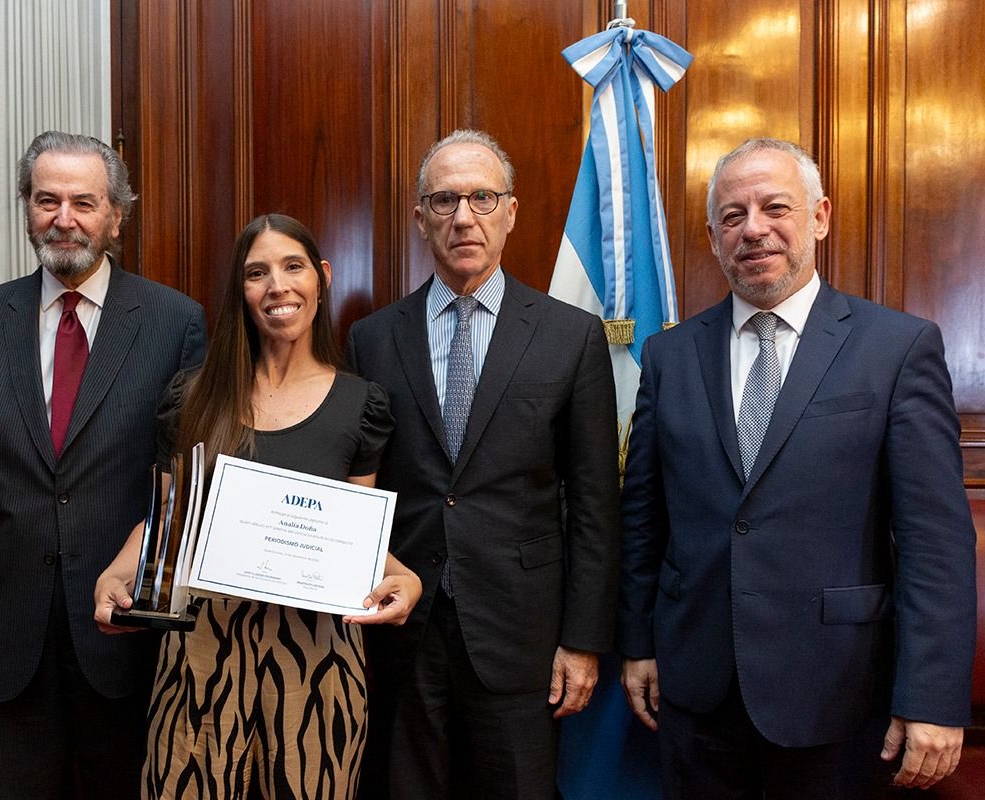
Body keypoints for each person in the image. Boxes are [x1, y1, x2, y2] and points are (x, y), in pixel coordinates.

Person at [619, 137, 977, 799]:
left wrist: (930, 696)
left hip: (837, 696)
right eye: (733, 216)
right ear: (712, 235)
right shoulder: (668, 356)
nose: (753, 228)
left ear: (819, 217)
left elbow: (935, 542)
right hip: (696, 693)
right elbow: (645, 521)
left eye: (774, 207)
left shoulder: (897, 348)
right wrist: (638, 644)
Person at [93, 213, 423, 799]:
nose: (277, 286)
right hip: (200, 655)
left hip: (316, 662)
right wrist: (119, 573)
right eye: (256, 272)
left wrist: (405, 579)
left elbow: (353, 537)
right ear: (240, 291)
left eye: (293, 266)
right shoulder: (192, 395)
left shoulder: (361, 404)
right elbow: (168, 520)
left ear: (321, 277)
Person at [0, 131, 207, 798]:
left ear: (116, 215)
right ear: (27, 207)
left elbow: (186, 481)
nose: (64, 218)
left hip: (125, 627)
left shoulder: (174, 323)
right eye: (47, 199)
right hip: (3, 621)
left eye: (85, 202)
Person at [345, 129, 622, 798]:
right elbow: (360, 489)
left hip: (524, 637)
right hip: (402, 631)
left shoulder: (570, 335)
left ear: (511, 211)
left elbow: (594, 503)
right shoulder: (372, 338)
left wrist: (583, 642)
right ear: (419, 219)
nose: (463, 217)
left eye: (481, 197)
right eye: (443, 200)